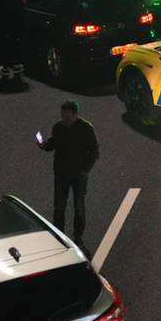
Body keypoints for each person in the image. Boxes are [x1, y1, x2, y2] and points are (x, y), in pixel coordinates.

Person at [37, 100, 99, 247]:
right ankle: (59, 237)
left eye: (67, 117)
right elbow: (52, 144)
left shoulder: (86, 128)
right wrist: (43, 145)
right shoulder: (58, 127)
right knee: (59, 207)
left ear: (75, 114)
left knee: (79, 207)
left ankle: (77, 237)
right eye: (62, 116)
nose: (64, 120)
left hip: (79, 175)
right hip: (61, 174)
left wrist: (85, 171)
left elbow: (94, 152)